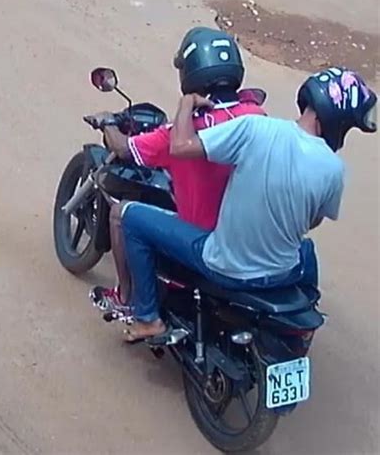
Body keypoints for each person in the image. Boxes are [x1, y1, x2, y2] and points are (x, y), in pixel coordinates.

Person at [120, 67, 377, 342]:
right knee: (306, 249)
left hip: (225, 265)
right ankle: (302, 319)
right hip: (284, 272)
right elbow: (312, 222)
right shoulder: (334, 169)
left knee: (130, 216)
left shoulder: (256, 128)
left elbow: (181, 146)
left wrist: (186, 104)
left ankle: (147, 318)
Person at [89, 27, 267, 315]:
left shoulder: (178, 134)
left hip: (204, 243)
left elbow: (123, 149)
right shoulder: (257, 117)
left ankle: (128, 299)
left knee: (122, 215)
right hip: (248, 240)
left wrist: (107, 122)